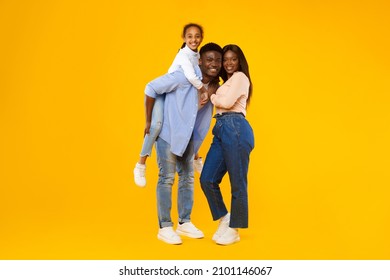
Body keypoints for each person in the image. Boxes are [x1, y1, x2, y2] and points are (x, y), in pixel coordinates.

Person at [144, 43, 223, 244]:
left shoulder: (215, 87)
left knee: (187, 178)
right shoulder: (183, 77)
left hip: (188, 138)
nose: (213, 63)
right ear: (199, 61)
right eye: (209, 59)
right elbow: (151, 87)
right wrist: (150, 121)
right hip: (168, 133)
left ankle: (184, 222)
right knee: (167, 178)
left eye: (217, 60)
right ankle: (165, 227)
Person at [134, 23, 208, 187]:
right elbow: (190, 76)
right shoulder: (183, 55)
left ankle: (196, 157)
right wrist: (203, 90)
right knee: (156, 125)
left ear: (202, 37)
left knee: (190, 123)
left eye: (197, 36)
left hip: (177, 96)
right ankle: (140, 164)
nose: (193, 39)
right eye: (190, 36)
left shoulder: (197, 56)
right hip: (162, 94)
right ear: (184, 38)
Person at [200, 44, 255, 245]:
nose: (229, 63)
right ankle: (226, 217)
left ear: (239, 61)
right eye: (226, 60)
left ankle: (235, 229)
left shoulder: (241, 77)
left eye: (233, 59)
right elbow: (223, 100)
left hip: (236, 127)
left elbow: (228, 102)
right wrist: (217, 94)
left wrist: (213, 95)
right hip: (222, 128)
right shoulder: (227, 82)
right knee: (207, 178)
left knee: (237, 182)